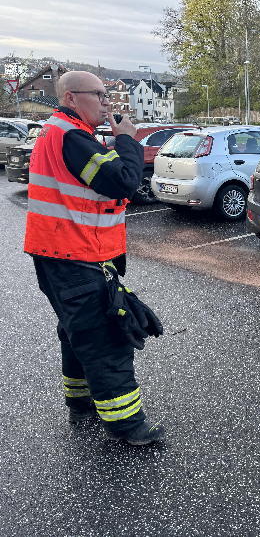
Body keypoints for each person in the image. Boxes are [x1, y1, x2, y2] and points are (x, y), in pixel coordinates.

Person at [24, 71, 164, 445]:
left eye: (107, 95)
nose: (107, 102)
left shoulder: (64, 133)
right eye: (99, 95)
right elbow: (121, 181)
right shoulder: (71, 136)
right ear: (72, 98)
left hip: (60, 252)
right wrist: (127, 140)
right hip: (76, 253)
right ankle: (128, 425)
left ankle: (80, 399)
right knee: (105, 338)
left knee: (76, 331)